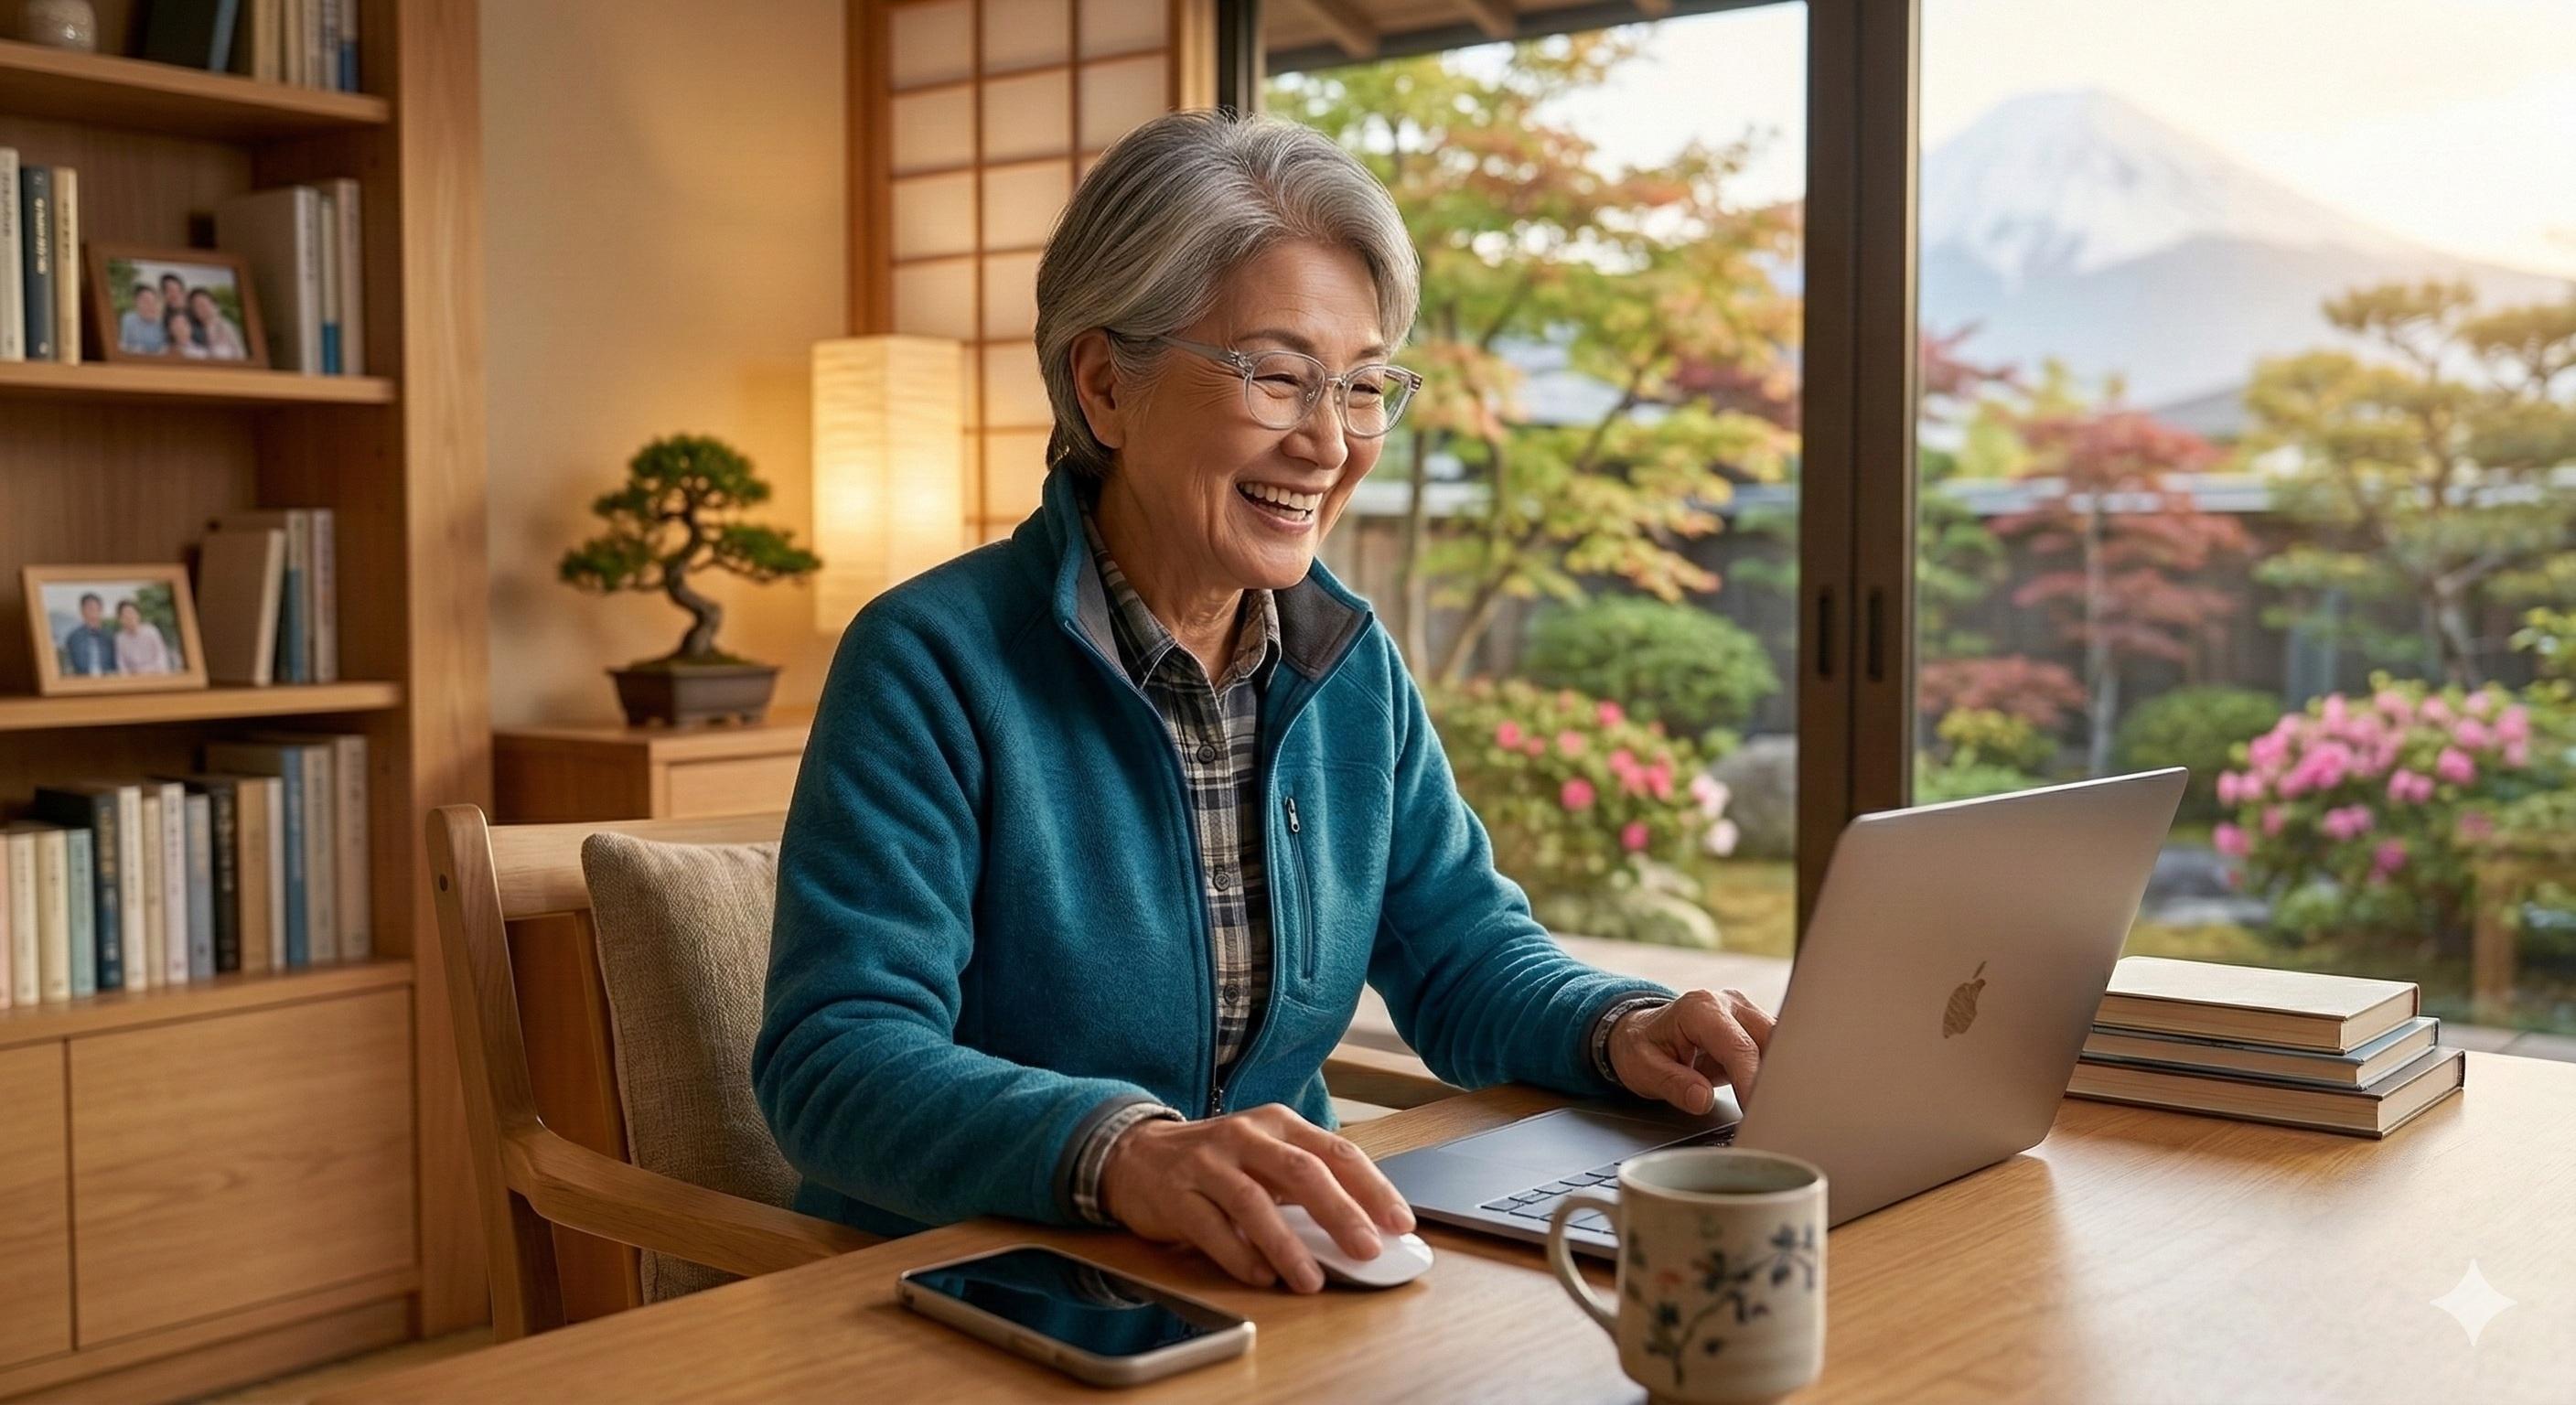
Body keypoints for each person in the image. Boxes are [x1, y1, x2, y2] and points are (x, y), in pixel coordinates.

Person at [756, 111, 1777, 1297]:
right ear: (1105, 388)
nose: (1332, 443)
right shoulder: (930, 662)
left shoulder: (1348, 665)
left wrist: (1623, 1027)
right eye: (1280, 377)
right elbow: (835, 1063)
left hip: (1269, 1272)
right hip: (976, 1293)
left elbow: (1463, 957)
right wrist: (1127, 1154)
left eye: (1361, 386)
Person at [58, 593, 119, 676]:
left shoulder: (110, 636)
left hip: (108, 681)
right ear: (82, 611)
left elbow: (117, 664)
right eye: (89, 608)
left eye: (96, 608)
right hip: (82, 681)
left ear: (101, 611)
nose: (93, 612)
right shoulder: (73, 637)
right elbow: (68, 666)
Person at [112, 599, 175, 675]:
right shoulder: (120, 638)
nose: (129, 617)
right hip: (133, 680)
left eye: (131, 613)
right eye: (125, 615)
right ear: (120, 619)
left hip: (156, 675)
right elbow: (121, 663)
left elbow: (161, 656)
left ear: (138, 614)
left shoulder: (151, 631)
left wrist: (148, 672)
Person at [188, 288, 250, 360]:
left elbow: (240, 355)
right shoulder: (192, 331)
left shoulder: (227, 327)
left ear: (213, 304)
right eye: (197, 306)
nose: (203, 308)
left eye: (204, 303)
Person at [119, 284, 168, 355]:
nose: (150, 305)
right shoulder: (128, 319)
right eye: (146, 301)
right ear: (136, 302)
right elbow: (124, 344)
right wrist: (133, 350)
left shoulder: (162, 322)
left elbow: (166, 348)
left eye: (153, 301)